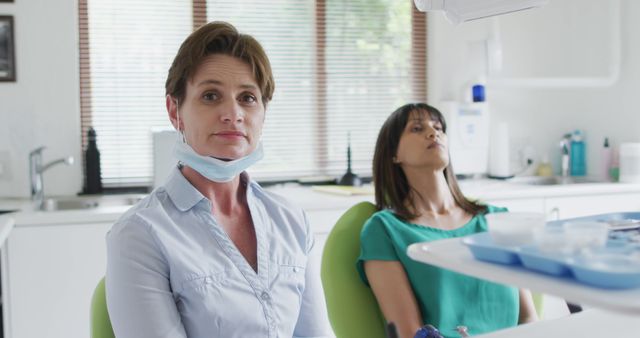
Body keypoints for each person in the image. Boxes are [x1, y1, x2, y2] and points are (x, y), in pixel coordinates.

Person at [106, 21, 331, 338]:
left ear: (263, 113)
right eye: (211, 96)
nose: (233, 113)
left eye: (248, 98)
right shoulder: (139, 235)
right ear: (175, 110)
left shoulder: (292, 222)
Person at [356, 103, 538, 338]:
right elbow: (409, 333)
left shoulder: (497, 219)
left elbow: (529, 318)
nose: (434, 133)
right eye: (417, 129)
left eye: (438, 127)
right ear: (394, 154)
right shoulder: (385, 230)